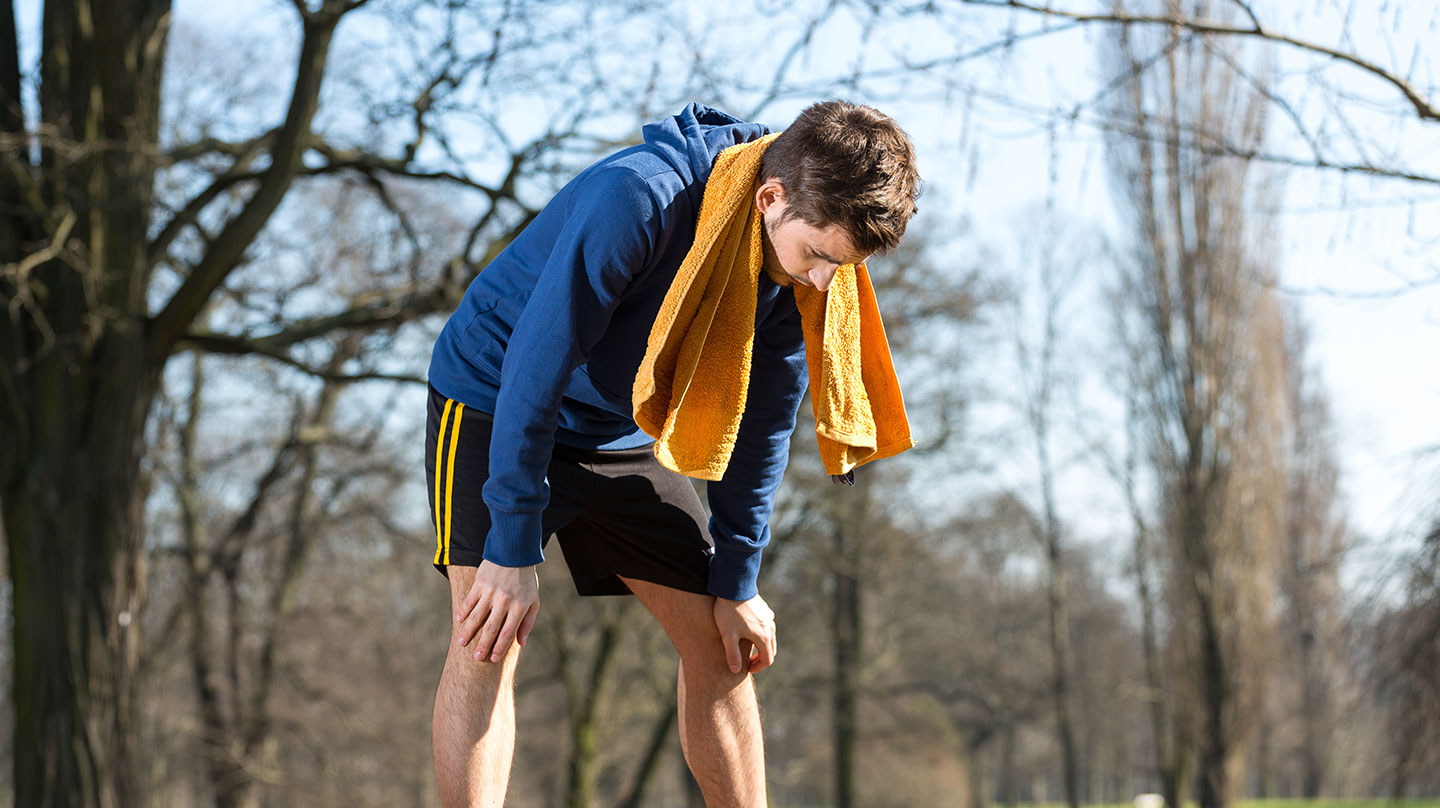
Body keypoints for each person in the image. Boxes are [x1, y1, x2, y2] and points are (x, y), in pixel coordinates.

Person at [424, 99, 920, 807]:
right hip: (493, 399)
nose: (822, 283)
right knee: (489, 635)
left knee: (725, 645)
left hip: (618, 427)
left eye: (839, 268)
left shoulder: (800, 275)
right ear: (770, 197)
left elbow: (765, 423)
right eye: (817, 254)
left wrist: (738, 582)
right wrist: (509, 548)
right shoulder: (638, 197)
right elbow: (538, 363)